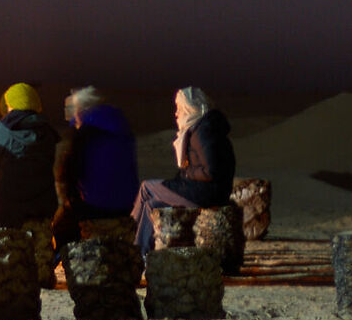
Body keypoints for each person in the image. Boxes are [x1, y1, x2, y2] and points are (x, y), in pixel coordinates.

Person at [134, 86, 236, 252]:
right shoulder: (204, 128)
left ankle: (128, 236)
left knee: (146, 187)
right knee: (151, 204)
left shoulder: (203, 131)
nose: (176, 114)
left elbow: (211, 171)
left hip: (205, 195)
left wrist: (188, 173)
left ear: (190, 108)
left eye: (180, 109)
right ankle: (140, 251)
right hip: (204, 191)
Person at [54, 86, 139, 254]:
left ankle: (66, 261)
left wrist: (70, 201)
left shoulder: (83, 135)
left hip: (95, 206)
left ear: (82, 110)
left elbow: (67, 173)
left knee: (60, 225)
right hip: (127, 205)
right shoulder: (122, 128)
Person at [0, 83, 59, 238]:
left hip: (6, 216)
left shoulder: (3, 131)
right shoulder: (48, 133)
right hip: (41, 214)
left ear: (8, 106)